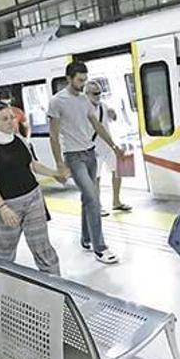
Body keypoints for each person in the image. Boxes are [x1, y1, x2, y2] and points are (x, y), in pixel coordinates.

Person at [48, 62, 124, 264]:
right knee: (92, 197)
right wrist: (59, 164)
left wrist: (114, 146)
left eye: (84, 79)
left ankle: (86, 238)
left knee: (87, 199)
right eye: (79, 80)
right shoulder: (57, 102)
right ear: (69, 78)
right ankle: (100, 248)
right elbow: (54, 136)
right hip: (74, 157)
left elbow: (97, 125)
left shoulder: (84, 100)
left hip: (90, 154)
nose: (82, 84)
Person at [0, 102, 63, 274]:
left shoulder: (19, 139)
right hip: (7, 205)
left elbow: (31, 164)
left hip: (33, 198)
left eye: (12, 118)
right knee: (5, 252)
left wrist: (54, 173)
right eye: (5, 119)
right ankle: (2, 288)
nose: (11, 122)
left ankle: (58, 289)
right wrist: (2, 208)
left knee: (42, 247)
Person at [85, 79, 132, 219]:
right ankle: (97, 206)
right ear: (86, 93)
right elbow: (99, 130)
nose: (98, 96)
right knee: (95, 179)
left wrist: (113, 113)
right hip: (93, 149)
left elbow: (112, 118)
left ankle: (116, 201)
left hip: (107, 148)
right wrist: (114, 146)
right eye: (95, 93)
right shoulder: (83, 109)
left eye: (100, 93)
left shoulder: (102, 106)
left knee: (118, 171)